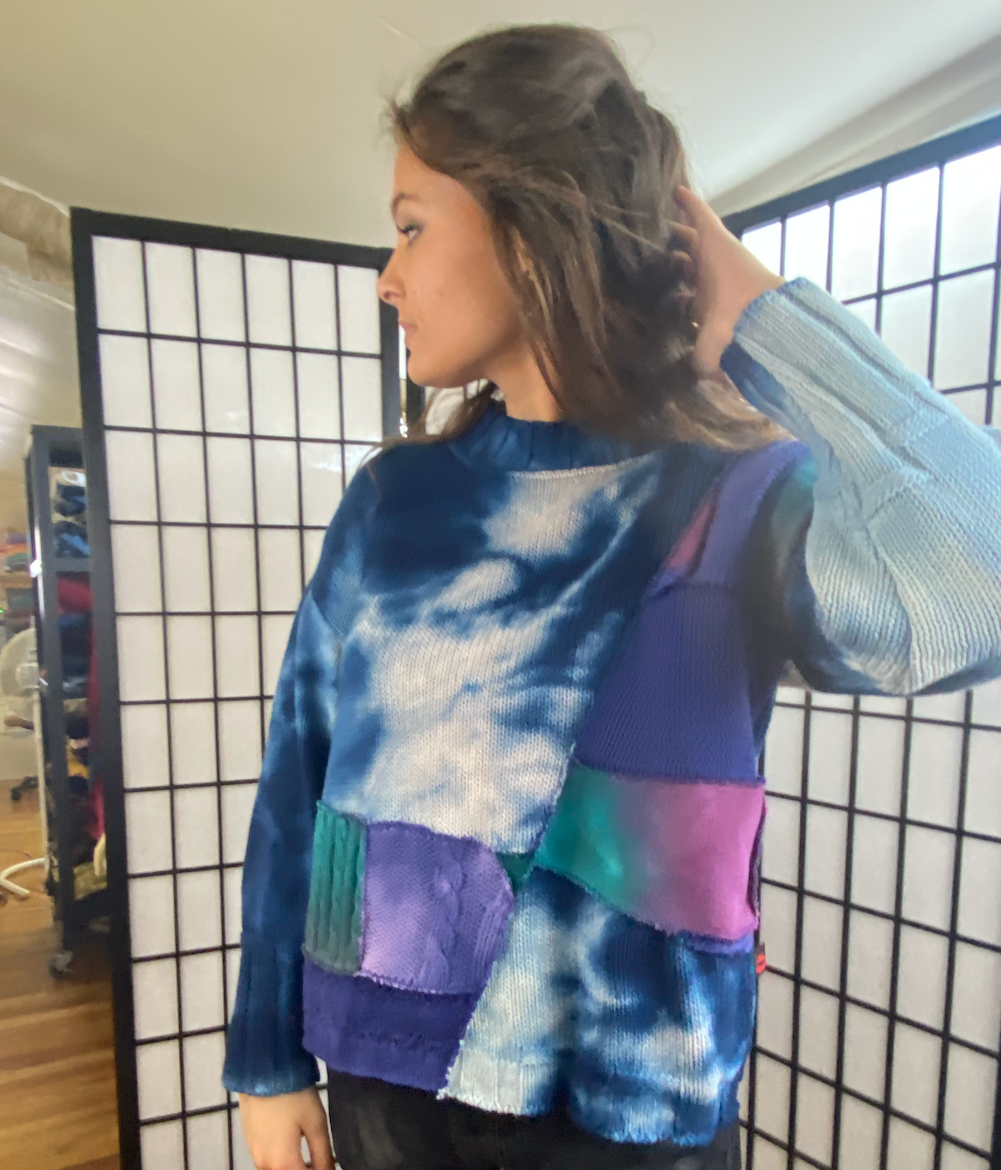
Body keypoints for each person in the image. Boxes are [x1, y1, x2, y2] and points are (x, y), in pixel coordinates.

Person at [222, 23, 1001, 1170]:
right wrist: (266, 1055)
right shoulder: (393, 502)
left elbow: (976, 585)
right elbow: (298, 776)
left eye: (411, 226)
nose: (387, 277)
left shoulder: (740, 493)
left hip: (634, 1106)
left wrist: (762, 318)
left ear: (531, 229)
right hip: (385, 1079)